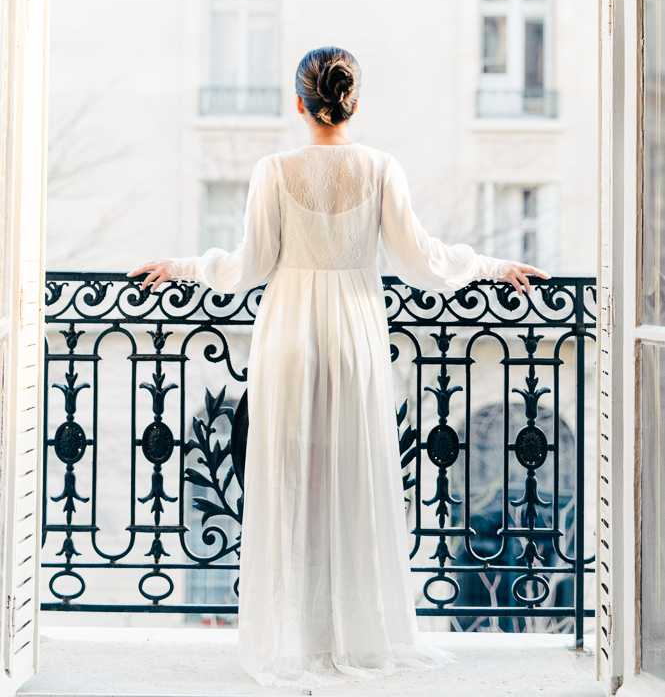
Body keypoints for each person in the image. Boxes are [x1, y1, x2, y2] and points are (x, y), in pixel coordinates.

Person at [128, 46, 550, 689]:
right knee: (353, 478)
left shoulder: (273, 170)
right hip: (354, 328)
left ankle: (296, 634)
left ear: (299, 103)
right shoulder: (381, 168)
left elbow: (245, 267)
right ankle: (352, 632)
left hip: (290, 330)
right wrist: (494, 267)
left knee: (292, 478)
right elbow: (423, 260)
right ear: (356, 102)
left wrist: (182, 267)